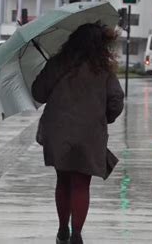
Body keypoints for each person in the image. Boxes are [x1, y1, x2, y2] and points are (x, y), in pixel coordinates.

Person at [31, 22, 124, 244]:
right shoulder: (103, 70)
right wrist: (105, 117)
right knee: (81, 183)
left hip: (58, 131)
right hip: (89, 133)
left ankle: (63, 229)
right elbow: (116, 100)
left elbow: (38, 92)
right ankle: (77, 234)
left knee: (63, 180)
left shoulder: (58, 64)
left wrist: (51, 71)